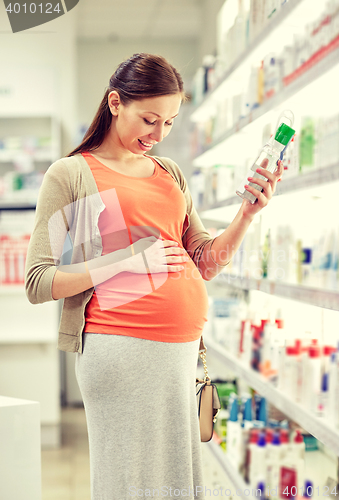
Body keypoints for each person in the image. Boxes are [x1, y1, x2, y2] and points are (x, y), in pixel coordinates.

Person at [25, 53, 283, 500]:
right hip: (121, 349)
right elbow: (39, 280)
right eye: (149, 119)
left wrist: (246, 215)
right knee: (133, 484)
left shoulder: (170, 173)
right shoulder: (71, 174)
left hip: (180, 353)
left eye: (169, 123)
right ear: (114, 103)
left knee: (174, 482)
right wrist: (125, 259)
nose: (158, 134)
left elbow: (204, 261)